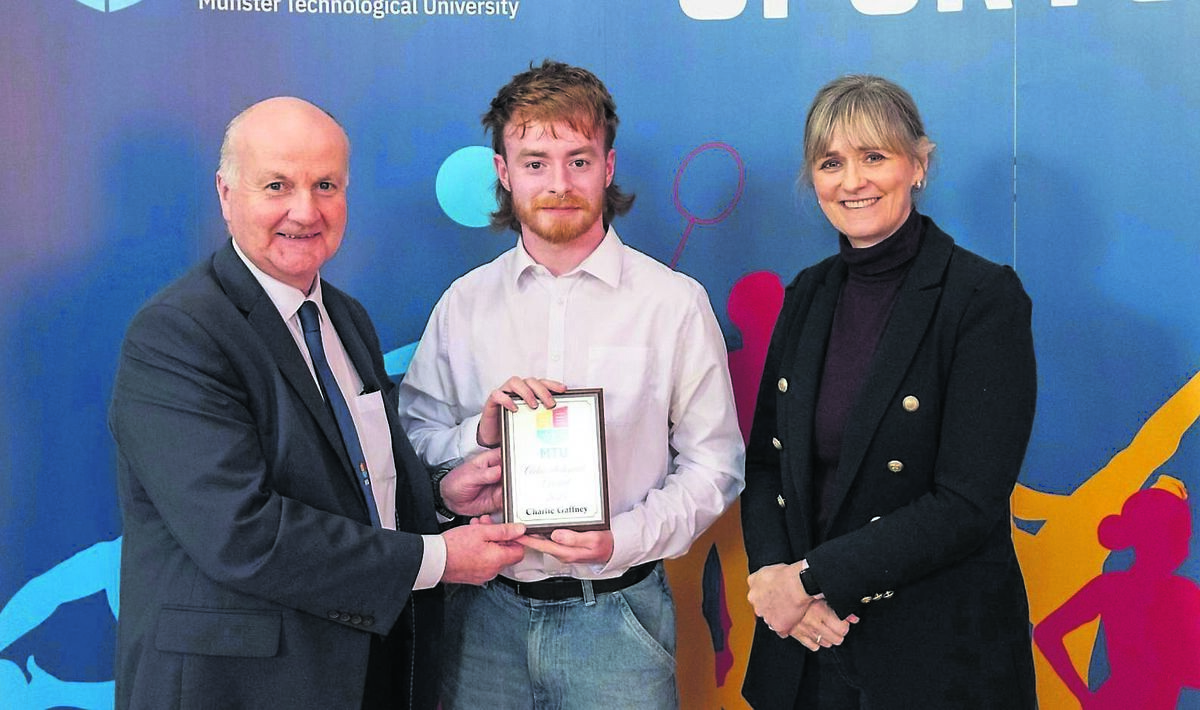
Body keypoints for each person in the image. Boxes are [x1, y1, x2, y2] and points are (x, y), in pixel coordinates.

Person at [108, 96, 527, 710]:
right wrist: (435, 558)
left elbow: (355, 478)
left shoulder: (344, 317)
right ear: (226, 194)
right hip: (238, 685)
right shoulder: (178, 333)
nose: (304, 210)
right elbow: (240, 532)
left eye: (325, 184)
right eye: (277, 184)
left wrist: (439, 496)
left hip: (364, 665)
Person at [397, 60, 745, 708]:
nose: (558, 183)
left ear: (608, 166)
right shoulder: (464, 304)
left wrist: (625, 538)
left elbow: (716, 463)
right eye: (535, 162)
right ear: (503, 172)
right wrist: (471, 444)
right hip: (481, 618)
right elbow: (410, 440)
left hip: (619, 620)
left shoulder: (671, 303)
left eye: (578, 160)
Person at [739, 75, 1038, 709]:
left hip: (933, 655)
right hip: (806, 651)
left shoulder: (981, 299)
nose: (853, 182)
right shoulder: (807, 294)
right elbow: (767, 465)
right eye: (831, 163)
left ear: (918, 165)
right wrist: (774, 581)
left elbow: (967, 502)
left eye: (874, 156)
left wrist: (814, 581)